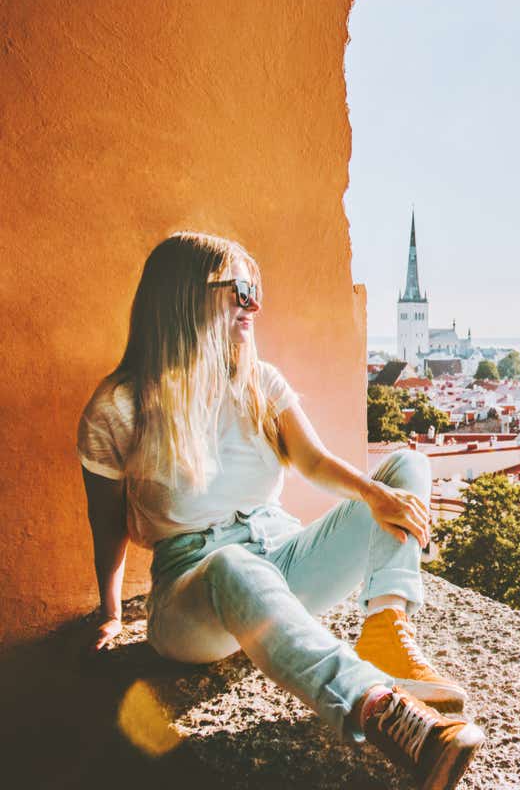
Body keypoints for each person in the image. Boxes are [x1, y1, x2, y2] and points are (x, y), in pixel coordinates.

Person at [77, 232, 483, 790]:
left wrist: (374, 494)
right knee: (232, 566)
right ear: (184, 296)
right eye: (241, 290)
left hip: (281, 556)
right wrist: (110, 612)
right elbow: (107, 523)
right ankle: (379, 708)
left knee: (407, 471)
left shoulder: (258, 381)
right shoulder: (119, 407)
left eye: (256, 289)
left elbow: (312, 461)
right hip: (195, 593)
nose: (255, 304)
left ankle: (386, 626)